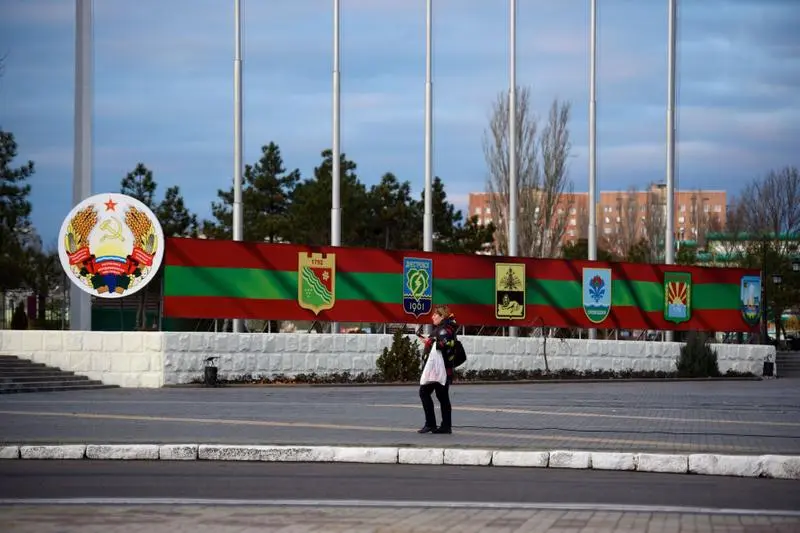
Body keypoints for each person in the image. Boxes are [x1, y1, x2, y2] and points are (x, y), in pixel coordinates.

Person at [418, 305, 458, 434]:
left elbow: (443, 345)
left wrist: (429, 342)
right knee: (441, 396)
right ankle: (443, 426)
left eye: (435, 315)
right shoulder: (444, 329)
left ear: (442, 316)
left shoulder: (445, 330)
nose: (432, 317)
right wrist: (429, 341)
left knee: (426, 393)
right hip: (440, 370)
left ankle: (433, 424)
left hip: (441, 370)